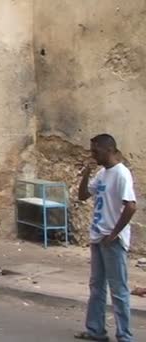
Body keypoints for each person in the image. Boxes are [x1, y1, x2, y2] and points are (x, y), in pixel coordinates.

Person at [74, 134, 137, 342]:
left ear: (108, 150)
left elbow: (131, 206)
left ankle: (125, 336)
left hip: (112, 240)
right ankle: (96, 330)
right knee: (97, 286)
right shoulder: (102, 174)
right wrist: (86, 174)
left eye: (96, 151)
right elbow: (83, 196)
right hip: (98, 237)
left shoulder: (121, 174)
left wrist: (114, 234)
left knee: (118, 290)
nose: (93, 155)